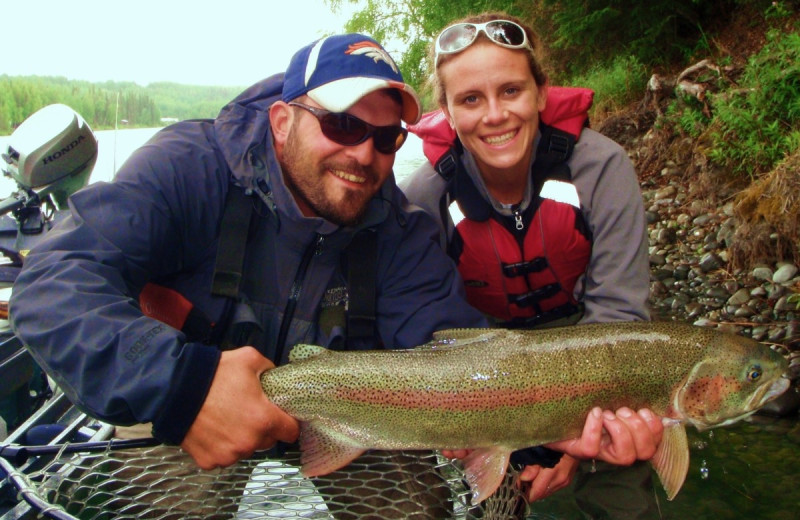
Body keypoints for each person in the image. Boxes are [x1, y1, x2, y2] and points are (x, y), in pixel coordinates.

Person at [10, 32, 659, 509]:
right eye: (343, 124)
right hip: (187, 390)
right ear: (283, 119)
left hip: (357, 417)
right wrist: (182, 386)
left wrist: (549, 429)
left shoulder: (400, 230)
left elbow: (461, 357)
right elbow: (55, 280)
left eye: (386, 139)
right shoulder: (190, 166)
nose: (363, 154)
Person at [401, 12, 657, 519]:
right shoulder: (423, 199)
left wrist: (563, 441)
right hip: (485, 368)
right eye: (470, 100)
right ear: (448, 114)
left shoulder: (602, 169)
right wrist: (520, 441)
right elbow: (434, 336)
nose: (494, 115)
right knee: (495, 502)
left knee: (625, 469)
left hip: (595, 348)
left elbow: (619, 323)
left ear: (541, 93)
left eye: (511, 90)